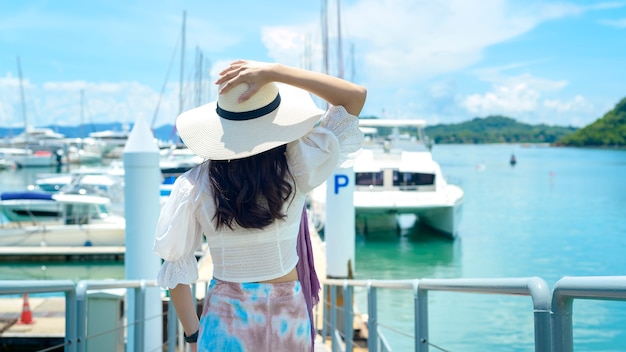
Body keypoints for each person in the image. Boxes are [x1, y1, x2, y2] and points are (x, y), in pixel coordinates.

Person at [153, 59, 366, 352]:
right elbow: (354, 96)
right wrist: (274, 72)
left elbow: (176, 269)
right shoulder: (298, 166)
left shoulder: (195, 184)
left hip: (223, 322)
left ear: (221, 125)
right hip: (288, 319)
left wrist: (193, 338)